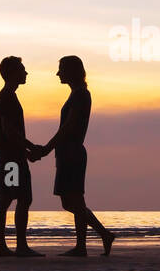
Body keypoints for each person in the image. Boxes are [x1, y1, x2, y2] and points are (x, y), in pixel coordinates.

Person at [30, 55, 116, 256]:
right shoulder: (77, 94)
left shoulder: (80, 95)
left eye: (61, 69)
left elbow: (67, 127)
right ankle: (92, 240)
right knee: (71, 202)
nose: (58, 73)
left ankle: (92, 240)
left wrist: (46, 149)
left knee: (74, 201)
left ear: (72, 71)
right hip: (68, 152)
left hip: (72, 153)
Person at [0, 56, 42, 257]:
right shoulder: (6, 98)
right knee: (11, 197)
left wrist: (26, 151)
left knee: (16, 197)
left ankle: (8, 246)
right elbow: (9, 131)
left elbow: (11, 132)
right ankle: (10, 246)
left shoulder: (8, 96)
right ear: (12, 73)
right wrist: (30, 147)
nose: (26, 73)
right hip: (11, 158)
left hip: (13, 156)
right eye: (22, 69)